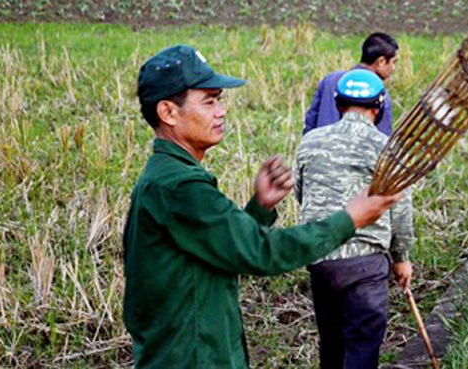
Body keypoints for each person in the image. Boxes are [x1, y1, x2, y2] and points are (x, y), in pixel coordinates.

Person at [123, 45, 403, 368]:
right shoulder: (180, 187)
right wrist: (350, 219)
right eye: (209, 101)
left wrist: (259, 207)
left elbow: (222, 250)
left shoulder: (164, 179)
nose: (221, 111)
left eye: (220, 100)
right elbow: (264, 252)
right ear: (168, 112)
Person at [294, 70, 415, 369]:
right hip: (366, 265)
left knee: (332, 345)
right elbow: (400, 208)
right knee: (361, 349)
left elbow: (301, 194)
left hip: (321, 260)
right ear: (379, 107)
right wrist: (401, 258)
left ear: (338, 104)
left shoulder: (310, 142)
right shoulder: (387, 148)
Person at [303, 32, 399, 137]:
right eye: (393, 62)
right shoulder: (379, 93)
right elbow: (383, 138)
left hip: (319, 150)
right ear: (381, 61)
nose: (393, 68)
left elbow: (310, 124)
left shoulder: (329, 80)